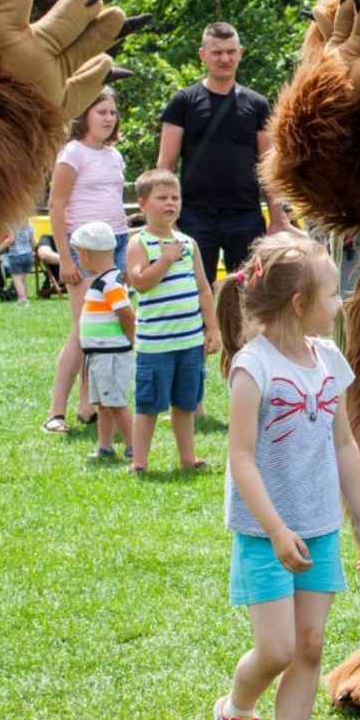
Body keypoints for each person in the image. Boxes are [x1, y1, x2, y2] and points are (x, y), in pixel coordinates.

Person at [211, 233, 360, 720]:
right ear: (299, 303)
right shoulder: (252, 367)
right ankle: (236, 712)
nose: (341, 302)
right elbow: (240, 458)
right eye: (333, 293)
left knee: (309, 645)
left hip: (319, 526)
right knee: (277, 649)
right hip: (265, 534)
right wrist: (276, 529)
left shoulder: (330, 360)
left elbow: (344, 445)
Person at [157, 23, 291, 284]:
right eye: (217, 52)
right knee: (195, 290)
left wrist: (277, 219)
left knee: (248, 292)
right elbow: (166, 165)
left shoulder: (257, 104)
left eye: (231, 52)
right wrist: (166, 220)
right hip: (194, 215)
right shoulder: (183, 102)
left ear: (240, 53)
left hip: (246, 216)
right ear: (203, 55)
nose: (225, 59)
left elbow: (269, 166)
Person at [43, 89, 128, 434]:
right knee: (82, 330)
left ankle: (87, 405)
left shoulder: (114, 155)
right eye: (101, 112)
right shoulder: (73, 153)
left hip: (116, 245)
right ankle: (55, 412)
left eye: (112, 112)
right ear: (84, 115)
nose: (108, 118)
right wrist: (65, 258)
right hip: (85, 250)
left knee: (104, 329)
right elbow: (56, 205)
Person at [125, 169, 219, 474]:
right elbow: (140, 283)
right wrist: (165, 260)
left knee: (186, 403)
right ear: (142, 205)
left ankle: (187, 458)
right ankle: (139, 461)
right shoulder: (140, 243)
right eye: (162, 198)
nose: (170, 203)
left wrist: (212, 328)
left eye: (175, 197)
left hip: (189, 341)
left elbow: (203, 288)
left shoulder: (188, 244)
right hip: (156, 344)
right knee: (149, 403)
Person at [71, 221, 136, 462]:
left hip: (111, 354)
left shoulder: (110, 283)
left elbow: (126, 313)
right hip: (99, 355)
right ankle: (105, 446)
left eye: (79, 254)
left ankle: (134, 447)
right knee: (103, 404)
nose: (79, 260)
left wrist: (131, 338)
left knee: (115, 403)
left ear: (88, 254)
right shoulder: (103, 281)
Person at [0, 220, 35, 303]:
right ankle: (25, 296)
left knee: (17, 280)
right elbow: (34, 243)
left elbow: (11, 239)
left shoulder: (12, 224)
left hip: (16, 256)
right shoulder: (29, 225)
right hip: (28, 255)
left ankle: (22, 298)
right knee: (23, 280)